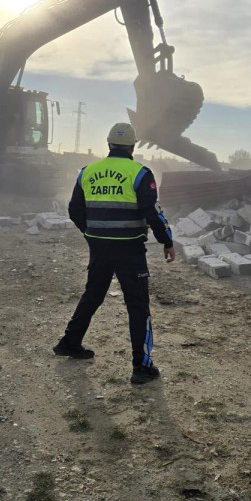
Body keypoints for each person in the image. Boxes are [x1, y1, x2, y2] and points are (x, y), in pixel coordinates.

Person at [54, 122, 175, 384]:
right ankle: (141, 367)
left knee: (93, 294)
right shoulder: (140, 173)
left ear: (108, 144)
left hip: (99, 246)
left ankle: (70, 342)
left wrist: (91, 233)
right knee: (137, 305)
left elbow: (75, 209)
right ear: (132, 147)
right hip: (129, 248)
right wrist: (167, 240)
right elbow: (151, 211)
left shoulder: (87, 171)